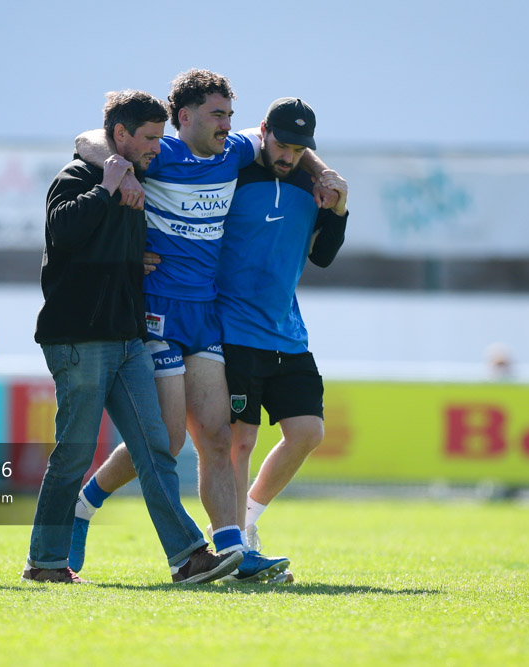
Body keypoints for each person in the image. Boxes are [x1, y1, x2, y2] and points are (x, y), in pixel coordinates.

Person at [69, 71, 336, 582]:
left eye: (230, 116)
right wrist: (120, 169)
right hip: (157, 314)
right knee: (168, 441)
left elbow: (283, 142)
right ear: (183, 117)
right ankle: (84, 504)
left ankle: (234, 550)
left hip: (206, 315)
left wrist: (324, 173)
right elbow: (86, 140)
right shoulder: (158, 154)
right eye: (217, 115)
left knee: (216, 437)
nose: (226, 125)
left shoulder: (235, 152)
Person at [24, 90, 243, 585]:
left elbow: (117, 246)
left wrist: (135, 256)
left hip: (127, 337)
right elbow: (62, 233)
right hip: (78, 338)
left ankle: (188, 557)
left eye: (159, 137)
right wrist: (107, 187)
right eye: (147, 138)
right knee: (75, 453)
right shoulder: (75, 177)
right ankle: (45, 561)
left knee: (156, 447)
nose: (154, 148)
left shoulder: (139, 176)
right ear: (119, 136)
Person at [216, 98, 348, 583]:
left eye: (299, 148)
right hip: (233, 329)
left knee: (308, 432)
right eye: (282, 143)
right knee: (241, 439)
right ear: (264, 132)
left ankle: (248, 523)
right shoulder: (234, 170)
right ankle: (232, 545)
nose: (289, 155)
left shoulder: (310, 186)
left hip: (287, 332)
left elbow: (325, 258)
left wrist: (340, 207)